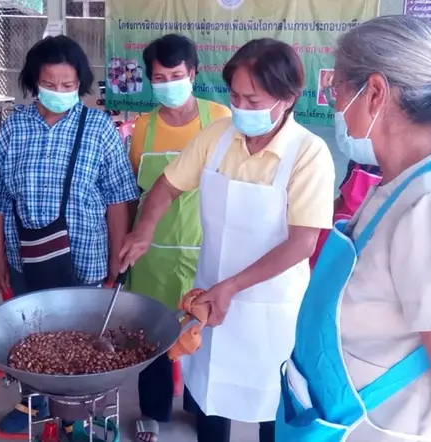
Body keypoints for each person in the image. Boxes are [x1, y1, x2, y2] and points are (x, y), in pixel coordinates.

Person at [276, 15, 431, 442]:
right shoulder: (401, 180)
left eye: (337, 91)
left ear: (374, 92)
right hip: (342, 415)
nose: (335, 107)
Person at [119, 38, 335, 442]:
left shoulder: (309, 153)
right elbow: (166, 186)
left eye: (253, 101)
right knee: (210, 397)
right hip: (211, 297)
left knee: (273, 404)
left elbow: (301, 243)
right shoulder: (217, 135)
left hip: (271, 308)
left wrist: (232, 286)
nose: (241, 109)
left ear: (287, 99)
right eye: (235, 97)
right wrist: (144, 230)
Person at [0, 35, 139, 434]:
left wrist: (119, 256)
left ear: (80, 84)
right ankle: (33, 402)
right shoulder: (14, 128)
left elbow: (119, 197)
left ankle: (76, 413)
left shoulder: (98, 127)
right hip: (25, 257)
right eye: (51, 84)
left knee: (82, 340)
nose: (60, 92)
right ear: (34, 81)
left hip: (84, 257)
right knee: (33, 336)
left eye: (69, 85)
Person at [126, 34, 231, 442]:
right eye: (159, 77)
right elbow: (136, 191)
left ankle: (206, 414)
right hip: (151, 256)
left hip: (205, 252)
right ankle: (154, 413)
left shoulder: (219, 118)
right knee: (150, 336)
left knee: (203, 338)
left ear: (193, 73)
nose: (168, 83)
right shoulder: (143, 129)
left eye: (176, 75)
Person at [309, 160, 380, 268]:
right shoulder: (358, 159)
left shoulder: (395, 174)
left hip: (359, 240)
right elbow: (341, 198)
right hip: (335, 225)